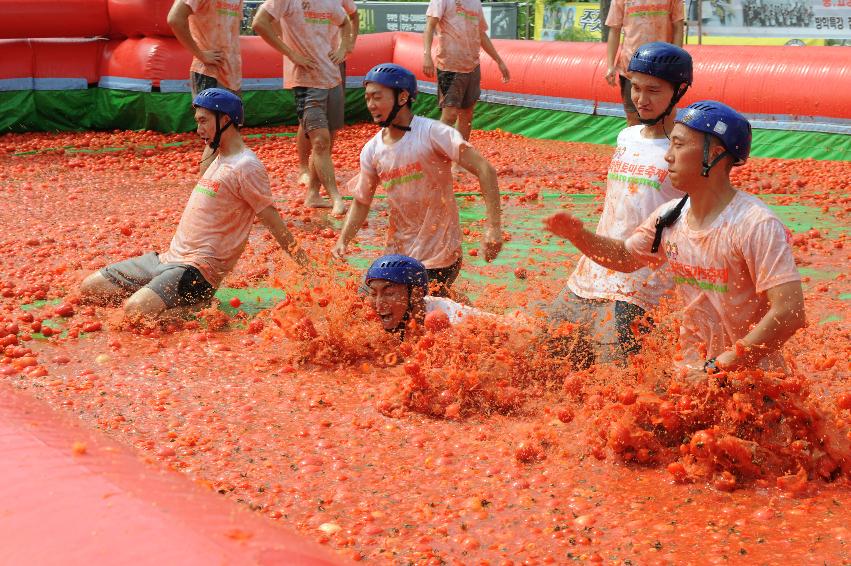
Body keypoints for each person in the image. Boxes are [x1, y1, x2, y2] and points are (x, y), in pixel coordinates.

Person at [545, 101, 805, 376]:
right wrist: (578, 235)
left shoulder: (756, 224)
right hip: (692, 372)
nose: (668, 156)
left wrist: (721, 365)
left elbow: (790, 312)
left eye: (679, 145)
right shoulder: (669, 218)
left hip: (750, 377)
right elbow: (623, 257)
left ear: (713, 155)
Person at [80, 89, 311, 319]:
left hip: (198, 271)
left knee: (135, 311)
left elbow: (272, 220)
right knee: (90, 288)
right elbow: (210, 152)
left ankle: (197, 304)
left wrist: (307, 265)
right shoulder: (216, 156)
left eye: (203, 121)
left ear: (226, 120)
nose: (198, 129)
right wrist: (212, 137)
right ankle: (161, 292)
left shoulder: (246, 167)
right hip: (167, 259)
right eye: (197, 121)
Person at [548, 42, 692, 367]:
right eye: (636, 88)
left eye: (653, 90)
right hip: (588, 277)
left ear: (680, 90)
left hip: (640, 291)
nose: (641, 99)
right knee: (541, 367)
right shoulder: (626, 137)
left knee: (616, 394)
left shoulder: (687, 150)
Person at [332, 64, 503, 297]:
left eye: (377, 97)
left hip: (439, 255)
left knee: (412, 312)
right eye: (367, 98)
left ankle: (450, 305)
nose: (370, 105)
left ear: (402, 97)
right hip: (397, 254)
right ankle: (450, 301)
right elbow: (362, 201)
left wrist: (493, 227)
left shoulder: (433, 133)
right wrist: (343, 240)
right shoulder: (371, 150)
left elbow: (486, 170)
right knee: (366, 305)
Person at [252, 0, 354, 216]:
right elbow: (260, 22)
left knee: (326, 142)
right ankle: (335, 195)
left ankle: (314, 194)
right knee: (320, 141)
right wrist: (291, 54)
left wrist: (344, 48)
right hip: (306, 81)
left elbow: (347, 22)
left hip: (332, 78)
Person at [167, 0, 244, 175]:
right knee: (215, 137)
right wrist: (200, 54)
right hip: (209, 72)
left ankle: (219, 189)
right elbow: (174, 18)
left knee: (227, 136)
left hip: (231, 73)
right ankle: (206, 194)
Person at [423, 0, 510, 142]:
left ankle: (459, 159)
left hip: (472, 65)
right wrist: (426, 55)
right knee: (449, 115)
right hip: (449, 65)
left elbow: (481, 34)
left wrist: (499, 61)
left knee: (467, 115)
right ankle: (435, 155)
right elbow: (429, 26)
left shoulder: (475, 2)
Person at [296, 0, 359, 188]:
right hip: (310, 61)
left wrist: (348, 45)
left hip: (333, 61)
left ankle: (322, 170)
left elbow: (354, 16)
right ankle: (304, 169)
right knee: (308, 120)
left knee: (331, 120)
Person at [364, 255, 492, 337]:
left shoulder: (451, 321)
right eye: (374, 293)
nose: (378, 304)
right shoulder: (372, 317)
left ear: (416, 294)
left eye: (389, 293)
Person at [605, 0, 684, 126]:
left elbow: (678, 27)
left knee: (664, 115)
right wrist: (610, 65)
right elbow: (614, 30)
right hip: (630, 68)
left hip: (662, 68)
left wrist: (675, 61)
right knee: (633, 116)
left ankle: (663, 144)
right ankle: (633, 145)